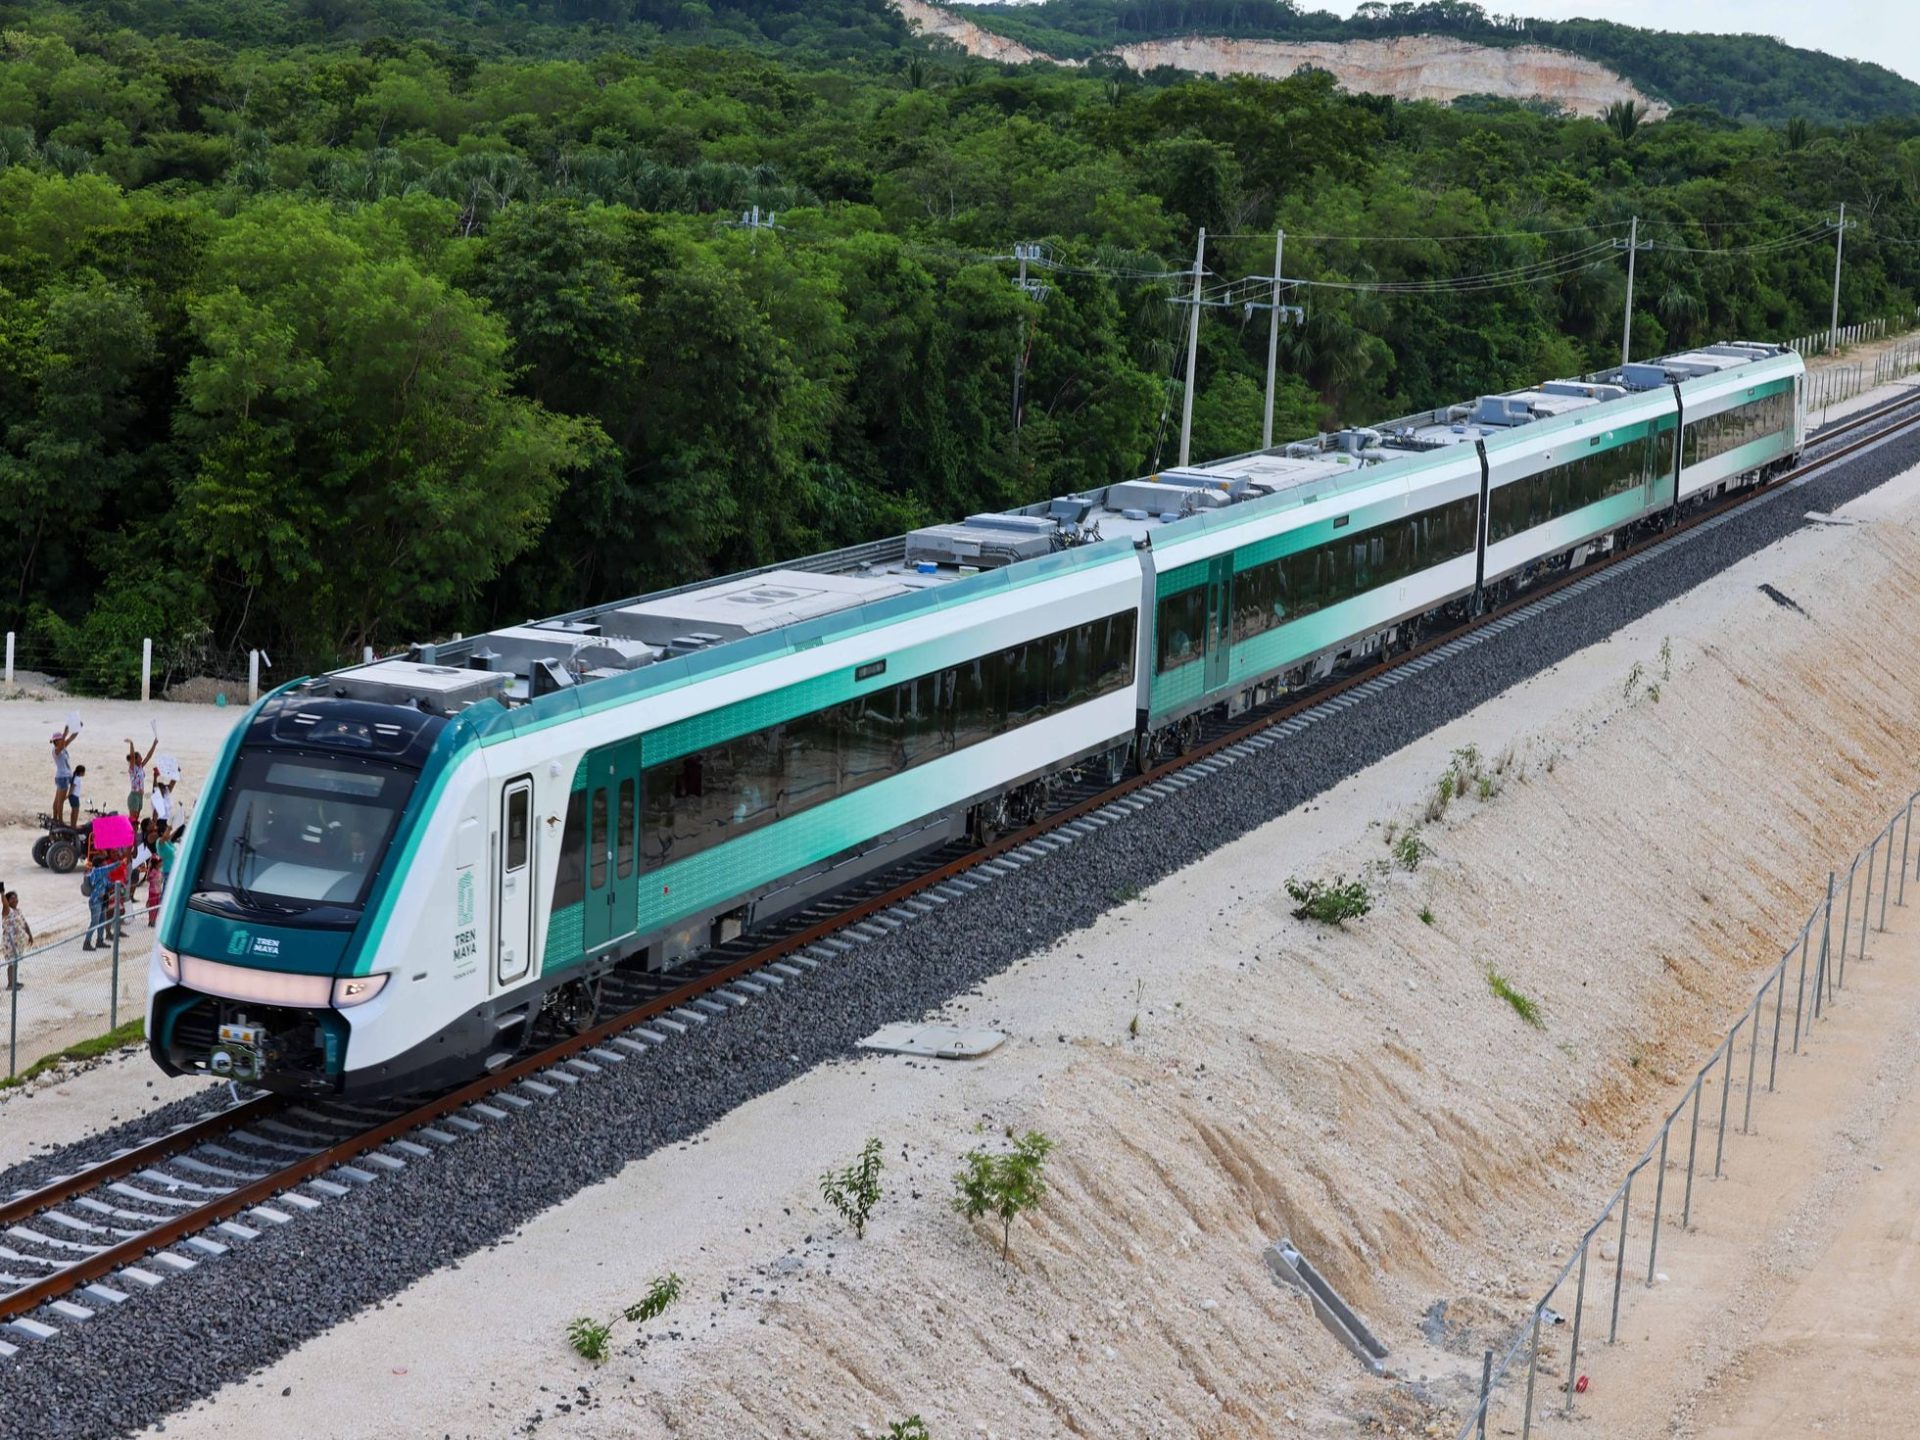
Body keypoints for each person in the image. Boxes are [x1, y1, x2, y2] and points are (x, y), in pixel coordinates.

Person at [82, 840, 114, 951]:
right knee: (94, 922)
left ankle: (100, 940)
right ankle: (87, 942)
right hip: (96, 901)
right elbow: (111, 868)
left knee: (101, 921)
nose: (106, 864)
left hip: (102, 900)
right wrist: (121, 862)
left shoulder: (103, 874)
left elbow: (108, 884)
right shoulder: (97, 872)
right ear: (100, 865)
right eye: (104, 863)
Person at [125, 735, 158, 818]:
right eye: (140, 757)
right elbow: (132, 756)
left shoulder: (140, 767)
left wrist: (154, 744)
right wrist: (131, 744)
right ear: (135, 759)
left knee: (136, 819)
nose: (142, 758)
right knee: (133, 820)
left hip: (140, 796)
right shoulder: (133, 768)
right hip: (134, 796)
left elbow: (148, 756)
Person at [50, 723, 77, 823]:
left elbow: (71, 738)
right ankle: (60, 821)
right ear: (55, 741)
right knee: (60, 801)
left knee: (57, 800)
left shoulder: (63, 747)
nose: (62, 740)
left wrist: (77, 728)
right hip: (62, 777)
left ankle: (55, 818)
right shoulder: (56, 750)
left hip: (64, 777)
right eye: (59, 739)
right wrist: (65, 733)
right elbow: (62, 744)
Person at [2, 891, 29, 991]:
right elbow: (4, 903)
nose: (15, 900)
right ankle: (10, 984)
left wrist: (29, 934)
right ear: (7, 901)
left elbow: (24, 923)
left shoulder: (18, 911)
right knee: (11, 963)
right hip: (10, 943)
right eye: (12, 898)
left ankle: (14, 981)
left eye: (16, 898)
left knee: (15, 963)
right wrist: (2, 893)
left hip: (18, 943)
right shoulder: (7, 910)